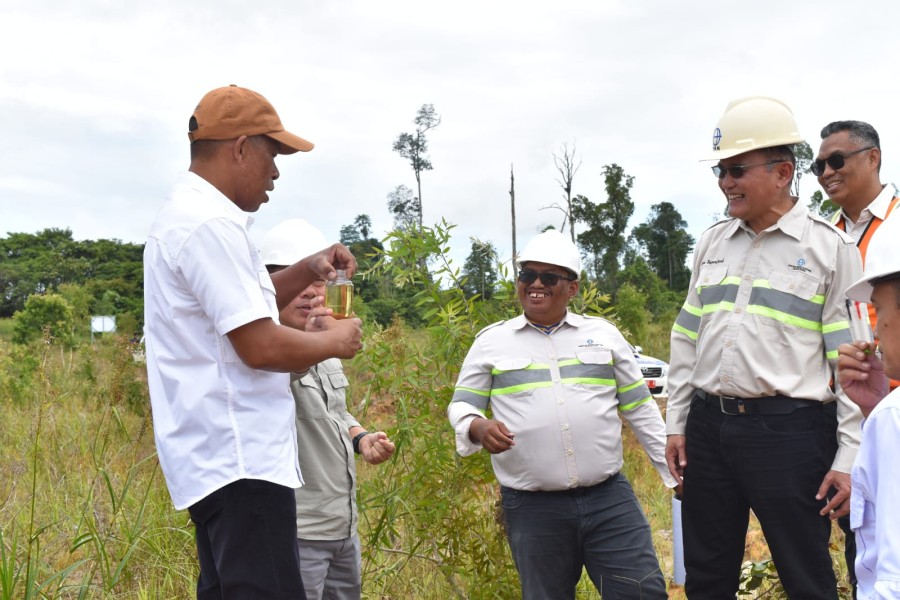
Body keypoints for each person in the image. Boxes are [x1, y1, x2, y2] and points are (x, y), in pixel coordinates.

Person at [143, 85, 363, 599]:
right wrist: (337, 342)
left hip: (218, 461)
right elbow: (260, 345)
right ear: (240, 147)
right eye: (272, 154)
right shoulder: (210, 224)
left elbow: (245, 309)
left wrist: (308, 268)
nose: (277, 172)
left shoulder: (189, 216)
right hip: (242, 463)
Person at [664, 96, 864, 598]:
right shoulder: (711, 243)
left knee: (805, 575)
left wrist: (847, 456)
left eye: (736, 169)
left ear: (781, 172)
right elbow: (686, 340)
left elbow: (852, 366)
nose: (725, 182)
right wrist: (678, 424)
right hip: (708, 431)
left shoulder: (829, 249)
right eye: (720, 172)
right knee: (707, 576)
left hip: (791, 435)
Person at [448, 230, 677, 600]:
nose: (536, 284)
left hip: (609, 499)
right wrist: (476, 425)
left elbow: (639, 408)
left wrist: (673, 475)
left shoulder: (603, 335)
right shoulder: (491, 341)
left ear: (572, 288)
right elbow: (462, 405)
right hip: (533, 507)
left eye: (549, 277)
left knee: (642, 591)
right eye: (527, 275)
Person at [261, 218, 395, 600]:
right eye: (295, 281)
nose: (309, 293)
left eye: (318, 282)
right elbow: (284, 373)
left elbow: (334, 412)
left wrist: (361, 438)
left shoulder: (324, 348)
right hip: (299, 531)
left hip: (341, 526)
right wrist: (322, 344)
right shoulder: (262, 352)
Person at [837, 212, 900, 599]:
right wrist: (874, 407)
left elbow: (893, 577)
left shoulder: (893, 420)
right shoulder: (888, 415)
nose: (875, 330)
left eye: (881, 309)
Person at [817, 120, 900, 390]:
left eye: (837, 161)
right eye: (819, 166)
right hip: (842, 394)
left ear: (872, 157)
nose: (826, 173)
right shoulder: (821, 236)